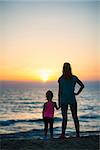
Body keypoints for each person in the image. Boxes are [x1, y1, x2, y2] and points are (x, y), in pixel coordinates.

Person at [58, 62, 84, 139]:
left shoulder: (62, 79)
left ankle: (65, 134)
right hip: (68, 99)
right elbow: (82, 86)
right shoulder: (72, 78)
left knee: (69, 117)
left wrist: (77, 93)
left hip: (66, 100)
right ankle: (76, 134)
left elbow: (60, 91)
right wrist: (77, 93)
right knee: (73, 117)